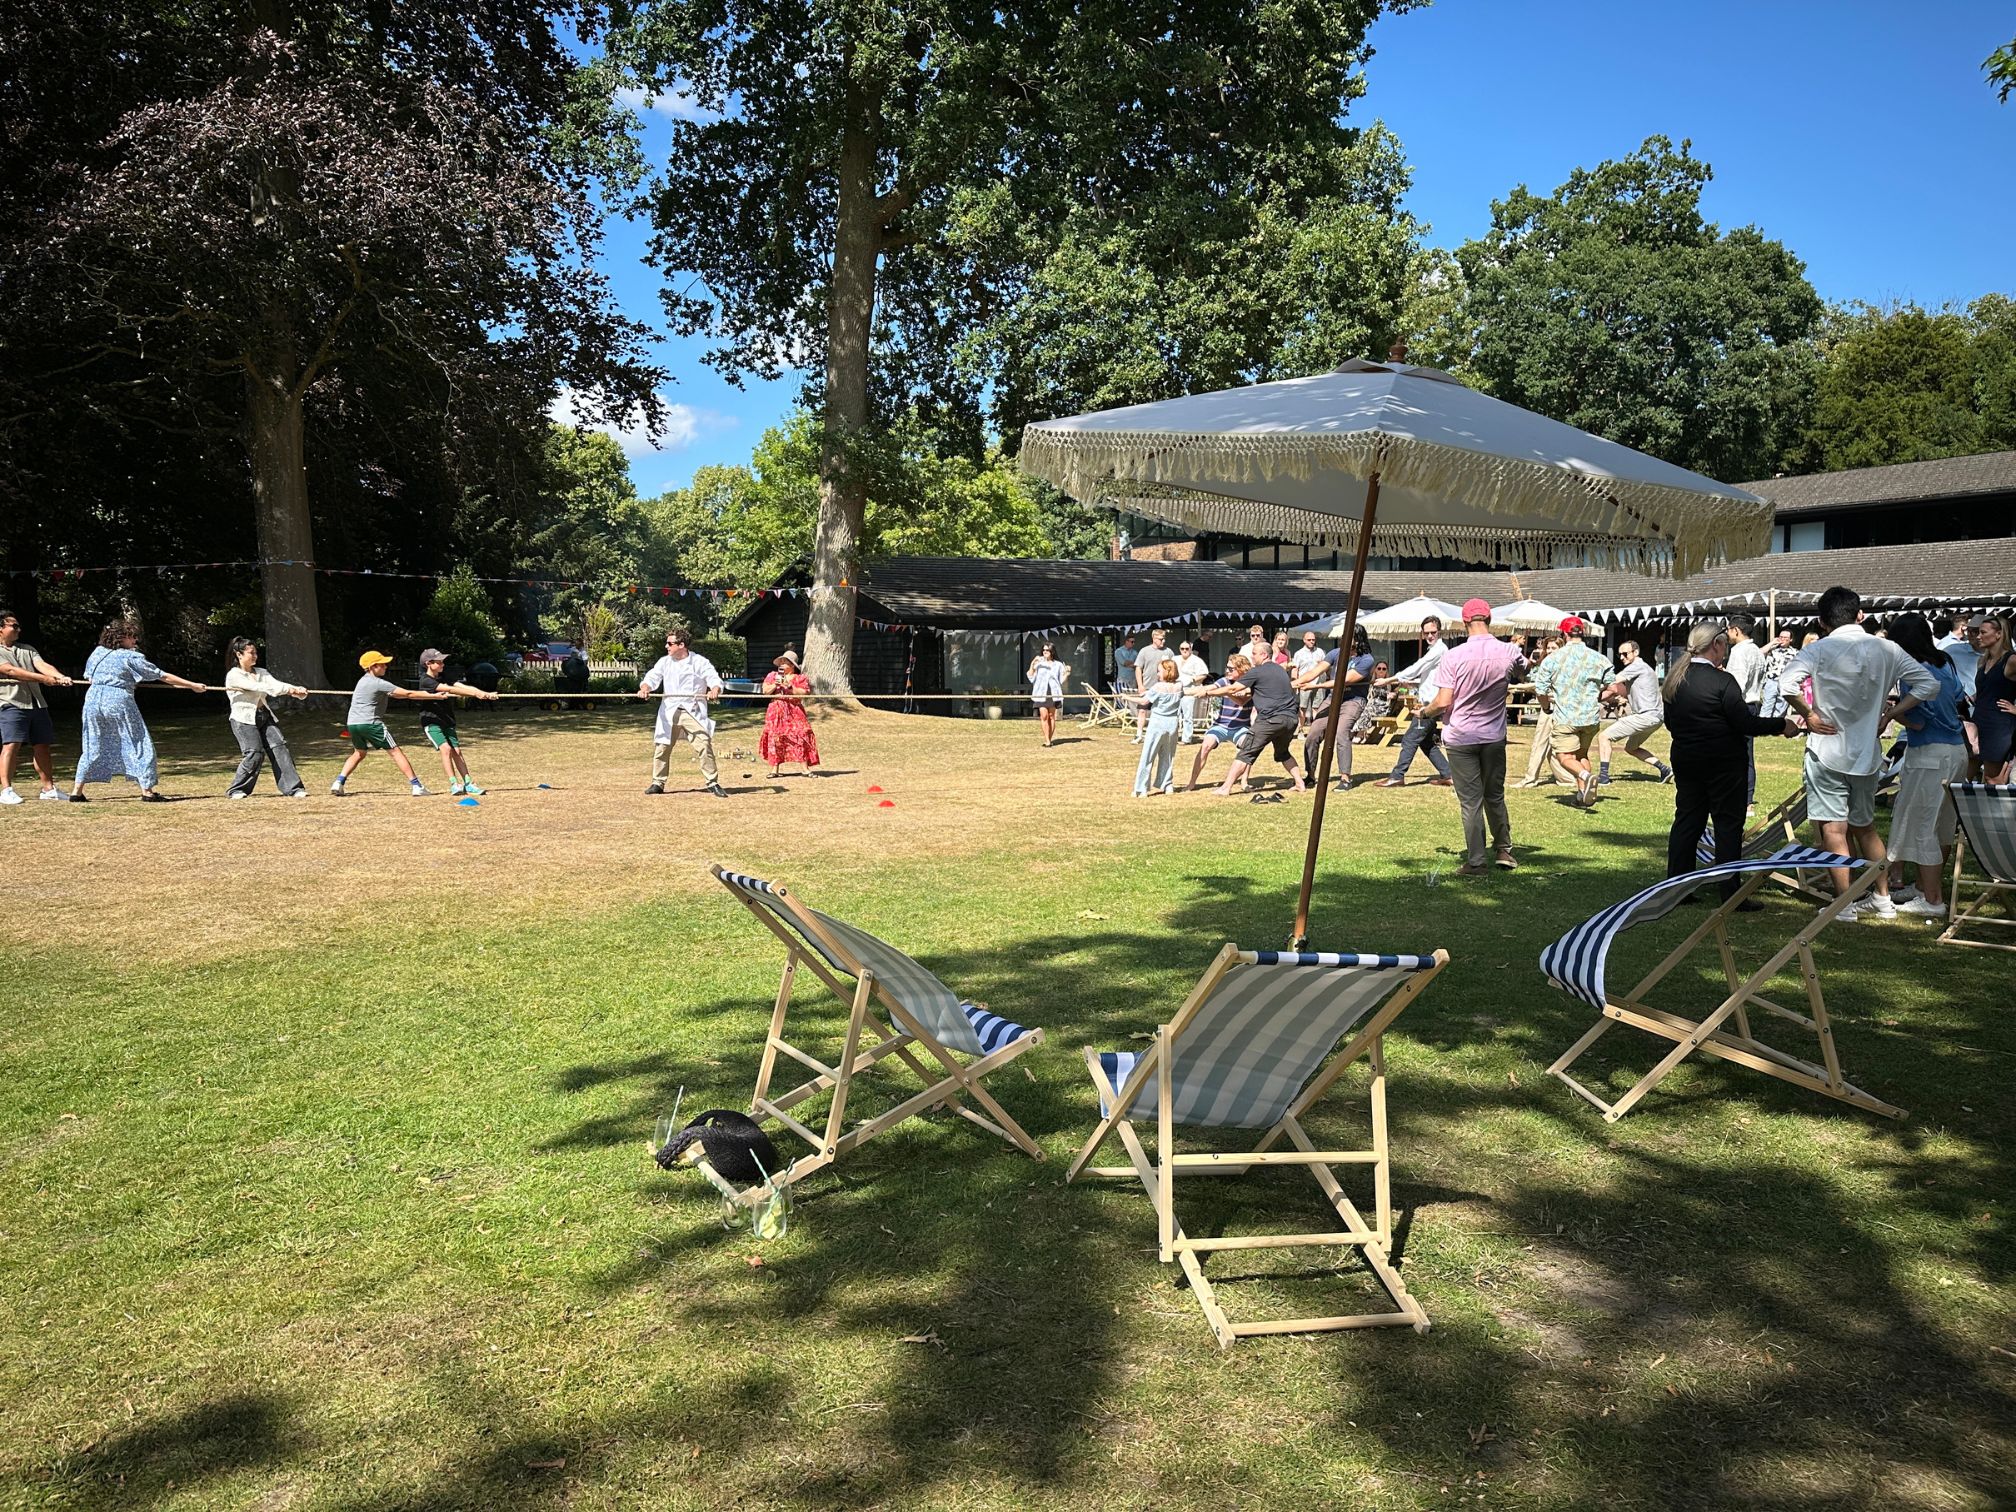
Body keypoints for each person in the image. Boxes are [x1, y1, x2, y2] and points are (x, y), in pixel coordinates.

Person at [1778, 585, 1939, 918]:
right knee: (1864, 827)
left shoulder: (1819, 649)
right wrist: (1891, 713)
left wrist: (1808, 714)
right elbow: (1929, 685)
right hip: (1866, 753)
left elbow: (1786, 685)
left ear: (1822, 621)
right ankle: (1881, 897)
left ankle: (1846, 903)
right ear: (1860, 615)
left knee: (1833, 829)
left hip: (1827, 750)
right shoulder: (1887, 648)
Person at [1662, 620, 1798, 906]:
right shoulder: (1723, 682)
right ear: (1718, 645)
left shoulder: (1676, 678)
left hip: (1687, 757)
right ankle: (1730, 891)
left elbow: (1671, 723)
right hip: (1723, 762)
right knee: (1727, 825)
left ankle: (1676, 887)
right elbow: (1744, 722)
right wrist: (1781, 724)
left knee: (1688, 820)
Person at [1424, 599, 1526, 874]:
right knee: (1495, 794)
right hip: (1493, 735)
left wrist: (1424, 712)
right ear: (1489, 619)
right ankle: (1504, 849)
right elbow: (1522, 671)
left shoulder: (1453, 656)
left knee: (1470, 801)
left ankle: (1477, 861)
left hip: (1461, 737)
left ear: (1465, 622)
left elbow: (1443, 701)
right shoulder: (1509, 650)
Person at [1880, 614, 1967, 919]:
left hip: (1929, 752)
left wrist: (1893, 714)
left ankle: (1932, 898)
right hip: (1956, 750)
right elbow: (1957, 698)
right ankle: (1923, 888)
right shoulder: (1945, 662)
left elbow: (1918, 721)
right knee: (1942, 825)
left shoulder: (1914, 672)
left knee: (1921, 825)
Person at [70, 618, 208, 802]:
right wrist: (192, 685)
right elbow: (161, 675)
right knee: (138, 741)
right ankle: (147, 791)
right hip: (117, 699)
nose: (135, 641)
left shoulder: (97, 653)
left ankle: (76, 792)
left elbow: (90, 677)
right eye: (132, 637)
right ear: (120, 637)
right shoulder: (129, 656)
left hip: (92, 700)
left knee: (92, 743)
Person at [332, 650, 452, 797]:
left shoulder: (362, 681)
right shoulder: (378, 683)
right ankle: (416, 786)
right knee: (395, 752)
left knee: (359, 753)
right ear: (372, 667)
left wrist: (428, 695)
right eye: (382, 664)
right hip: (371, 723)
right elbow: (408, 694)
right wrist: (434, 696)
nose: (385, 667)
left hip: (353, 724)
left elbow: (399, 695)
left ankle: (338, 782)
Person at [1531, 617, 1615, 807]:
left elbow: (1541, 690)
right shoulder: (1599, 658)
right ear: (1582, 633)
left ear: (1564, 634)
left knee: (1564, 757)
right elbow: (1614, 687)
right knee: (1581, 755)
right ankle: (1583, 795)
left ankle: (1586, 776)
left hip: (1566, 717)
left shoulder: (1553, 659)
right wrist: (1596, 698)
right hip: (1590, 718)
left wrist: (1545, 707)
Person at [638, 629, 727, 797]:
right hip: (669, 710)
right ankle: (658, 782)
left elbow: (713, 678)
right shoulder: (664, 662)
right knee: (662, 747)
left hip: (692, 711)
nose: (666, 646)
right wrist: (645, 688)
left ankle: (712, 782)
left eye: (670, 644)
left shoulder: (699, 662)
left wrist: (714, 689)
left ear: (682, 645)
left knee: (703, 744)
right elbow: (652, 677)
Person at [0, 608, 75, 805]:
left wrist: (59, 676)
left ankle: (48, 789)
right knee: (11, 745)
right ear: (0, 629)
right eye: (13, 626)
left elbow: (42, 664)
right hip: (11, 703)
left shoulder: (27, 648)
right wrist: (45, 679)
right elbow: (12, 671)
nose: (18, 629)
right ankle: (6, 790)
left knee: (42, 745)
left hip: (37, 704)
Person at [224, 636, 309, 799]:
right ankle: (237, 789)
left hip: (264, 715)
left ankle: (293, 788)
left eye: (256, 652)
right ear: (239, 655)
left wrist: (296, 690)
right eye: (251, 653)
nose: (255, 656)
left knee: (280, 747)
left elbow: (275, 684)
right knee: (254, 752)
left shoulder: (262, 672)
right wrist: (284, 690)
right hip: (243, 719)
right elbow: (257, 687)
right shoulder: (234, 675)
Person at [1375, 615, 1453, 788]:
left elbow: (1418, 666)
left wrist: (1389, 680)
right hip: (1428, 702)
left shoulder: (1439, 650)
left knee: (1409, 739)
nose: (1430, 636)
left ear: (1439, 631)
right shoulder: (1435, 650)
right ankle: (1449, 774)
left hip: (1430, 705)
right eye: (1427, 633)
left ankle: (1397, 776)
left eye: (1433, 632)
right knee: (1426, 743)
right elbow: (1427, 674)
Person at [1214, 652, 1306, 796]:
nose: (1252, 657)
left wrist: (1209, 692)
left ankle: (1225, 788)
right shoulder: (1280, 671)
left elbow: (1232, 688)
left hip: (1269, 720)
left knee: (1245, 752)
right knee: (1283, 753)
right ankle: (1300, 783)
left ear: (1263, 654)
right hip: (1289, 719)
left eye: (1254, 654)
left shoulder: (1257, 671)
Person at [1295, 626, 1374, 792]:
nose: (1346, 639)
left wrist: (1316, 686)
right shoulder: (1335, 653)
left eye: (1351, 637)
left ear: (1358, 640)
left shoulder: (1366, 660)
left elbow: (1343, 680)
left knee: (1341, 732)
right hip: (1332, 698)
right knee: (1313, 733)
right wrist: (1294, 683)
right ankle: (1310, 776)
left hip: (1353, 700)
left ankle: (1345, 778)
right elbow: (1314, 671)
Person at [416, 648, 500, 795]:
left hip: (447, 720)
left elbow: (462, 687)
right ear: (428, 663)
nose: (443, 664)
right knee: (446, 749)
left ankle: (468, 783)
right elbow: (450, 690)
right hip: (431, 721)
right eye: (439, 661)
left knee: (457, 751)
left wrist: (483, 693)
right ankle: (454, 784)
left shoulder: (444, 676)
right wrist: (477, 694)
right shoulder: (426, 681)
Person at [1595, 641, 1673, 787]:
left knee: (1604, 737)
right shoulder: (1644, 668)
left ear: (1635, 653)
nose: (1622, 657)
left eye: (1625, 654)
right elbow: (1617, 690)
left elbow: (1612, 682)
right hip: (1656, 718)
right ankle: (1664, 769)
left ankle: (1604, 777)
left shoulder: (1636, 666)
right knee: (1631, 748)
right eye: (1620, 655)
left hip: (1645, 716)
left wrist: (1592, 690)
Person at [1186, 654, 1253, 791]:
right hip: (1221, 726)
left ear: (1241, 670)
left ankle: (1244, 781)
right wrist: (1182, 691)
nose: (1227, 671)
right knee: (1205, 746)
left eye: (1231, 668)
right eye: (1226, 667)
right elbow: (1208, 688)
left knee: (1248, 747)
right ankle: (1191, 783)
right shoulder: (1224, 681)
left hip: (1241, 727)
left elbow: (1241, 702)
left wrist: (1226, 693)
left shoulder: (1249, 685)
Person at [1515, 631, 1567, 788]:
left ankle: (1530, 779)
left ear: (1561, 648)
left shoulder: (1559, 666)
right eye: (1548, 648)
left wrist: (1515, 687)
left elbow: (1539, 686)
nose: (1550, 651)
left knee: (1540, 743)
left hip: (1552, 708)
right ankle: (1566, 779)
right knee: (1551, 747)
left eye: (1554, 647)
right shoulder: (1548, 663)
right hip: (1553, 707)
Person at [756, 649, 821, 775]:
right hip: (776, 710)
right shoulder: (772, 676)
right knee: (775, 737)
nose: (781, 665)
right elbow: (765, 691)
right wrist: (776, 684)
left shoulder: (800, 678)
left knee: (800, 735)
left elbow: (804, 693)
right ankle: (774, 770)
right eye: (780, 662)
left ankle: (805, 769)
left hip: (794, 710)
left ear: (792, 665)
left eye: (784, 662)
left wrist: (789, 686)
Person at [1128, 659, 1186, 796]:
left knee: (1148, 755)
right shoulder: (1179, 686)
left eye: (1159, 671)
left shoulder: (1158, 687)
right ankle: (1167, 785)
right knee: (1168, 755)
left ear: (1167, 671)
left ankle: (1141, 788)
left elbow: (1144, 701)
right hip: (1172, 724)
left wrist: (1126, 697)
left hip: (1158, 723)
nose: (1157, 674)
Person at [1971, 615, 2016, 783]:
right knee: (1966, 775)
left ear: (1998, 634)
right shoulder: (1983, 661)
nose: (1978, 636)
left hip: (1999, 726)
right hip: (1979, 721)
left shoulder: (2011, 660)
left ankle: (1997, 809)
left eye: (1983, 632)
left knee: (1992, 780)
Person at [1024, 642, 1069, 749]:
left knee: (1051, 716)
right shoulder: (1039, 663)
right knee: (1043, 715)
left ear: (1052, 651)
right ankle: (1047, 740)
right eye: (1043, 650)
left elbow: (1061, 680)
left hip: (1054, 693)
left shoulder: (1058, 664)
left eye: (1047, 650)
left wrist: (1067, 673)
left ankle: (1050, 738)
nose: (1045, 652)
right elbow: (1030, 676)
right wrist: (1032, 663)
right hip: (1041, 692)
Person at [1133, 627, 1173, 743]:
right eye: (1160, 639)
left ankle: (1161, 734)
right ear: (1154, 638)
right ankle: (1139, 734)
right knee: (1142, 710)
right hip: (1147, 686)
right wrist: (1140, 685)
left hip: (1163, 688)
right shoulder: (1144, 651)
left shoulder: (1168, 652)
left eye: (1164, 639)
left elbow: (1172, 669)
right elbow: (1138, 668)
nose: (1163, 641)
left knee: (1160, 711)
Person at [1936, 614, 1979, 703]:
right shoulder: (1950, 649)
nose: (1971, 634)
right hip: (1962, 704)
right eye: (1969, 630)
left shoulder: (2001, 656)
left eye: (1976, 631)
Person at [1174, 640, 1210, 742]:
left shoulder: (1197, 660)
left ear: (1190, 649)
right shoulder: (1175, 659)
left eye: (1187, 648)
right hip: (1176, 689)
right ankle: (1173, 737)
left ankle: (1186, 738)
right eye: (1182, 649)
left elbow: (1204, 674)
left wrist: (1193, 679)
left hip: (1190, 689)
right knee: (1174, 714)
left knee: (1187, 716)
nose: (1184, 650)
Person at [1758, 627, 1798, 720]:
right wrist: (1772, 643)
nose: (1782, 639)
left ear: (1790, 640)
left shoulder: (1795, 652)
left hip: (1785, 682)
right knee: (1767, 704)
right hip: (1771, 681)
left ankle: (1776, 726)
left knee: (1781, 706)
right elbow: (1759, 653)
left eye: (1785, 638)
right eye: (1781, 637)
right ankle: (1763, 726)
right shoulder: (1772, 650)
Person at [1291, 629, 1326, 725]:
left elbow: (1326, 667)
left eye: (1313, 640)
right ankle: (1301, 729)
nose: (1311, 641)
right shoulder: (1299, 653)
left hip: (1318, 683)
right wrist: (1295, 682)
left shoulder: (1320, 652)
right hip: (1304, 684)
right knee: (1303, 708)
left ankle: (1314, 729)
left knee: (1317, 707)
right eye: (1309, 639)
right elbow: (1295, 669)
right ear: (1304, 640)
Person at [1351, 661, 1392, 741]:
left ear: (1386, 671)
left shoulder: (1388, 683)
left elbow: (1400, 688)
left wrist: (1396, 692)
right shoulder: (1371, 682)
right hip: (1371, 707)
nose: (1381, 670)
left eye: (1384, 669)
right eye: (1379, 668)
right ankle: (1360, 732)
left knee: (1368, 708)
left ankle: (1359, 733)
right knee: (1361, 708)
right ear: (1375, 670)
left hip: (1382, 709)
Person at [1112, 634, 1138, 699]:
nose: (1133, 644)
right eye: (1132, 642)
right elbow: (1124, 663)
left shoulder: (1135, 652)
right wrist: (1132, 663)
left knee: (1133, 696)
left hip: (1133, 678)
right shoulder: (1119, 651)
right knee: (1122, 696)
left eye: (1134, 642)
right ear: (1127, 641)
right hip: (1123, 677)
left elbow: (1138, 664)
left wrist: (1131, 664)